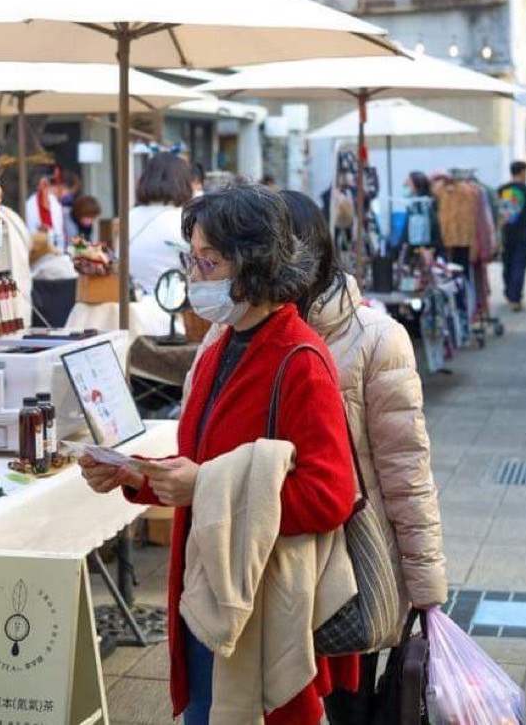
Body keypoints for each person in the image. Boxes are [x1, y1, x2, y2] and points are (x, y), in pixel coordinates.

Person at [82, 185, 357, 724]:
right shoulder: (219, 345)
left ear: (252, 264)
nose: (195, 276)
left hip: (256, 602)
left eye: (208, 262)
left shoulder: (299, 358)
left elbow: (330, 497)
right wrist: (132, 475)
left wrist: (203, 486)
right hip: (208, 589)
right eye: (192, 259)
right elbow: (202, 462)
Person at [284, 191, 448, 724]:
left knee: (347, 708)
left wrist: (425, 590)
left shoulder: (377, 338)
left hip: (354, 569)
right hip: (269, 565)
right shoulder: (232, 333)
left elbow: (407, 472)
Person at [128, 153, 191, 295]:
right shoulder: (186, 220)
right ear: (183, 182)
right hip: (172, 308)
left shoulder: (130, 216)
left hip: (131, 306)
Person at [496, 161, 526, 312]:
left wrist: (496, 235)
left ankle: (509, 292)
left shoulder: (502, 190)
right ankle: (516, 298)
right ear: (522, 172)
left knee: (507, 266)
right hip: (523, 235)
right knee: (519, 266)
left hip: (505, 235)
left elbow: (497, 214)